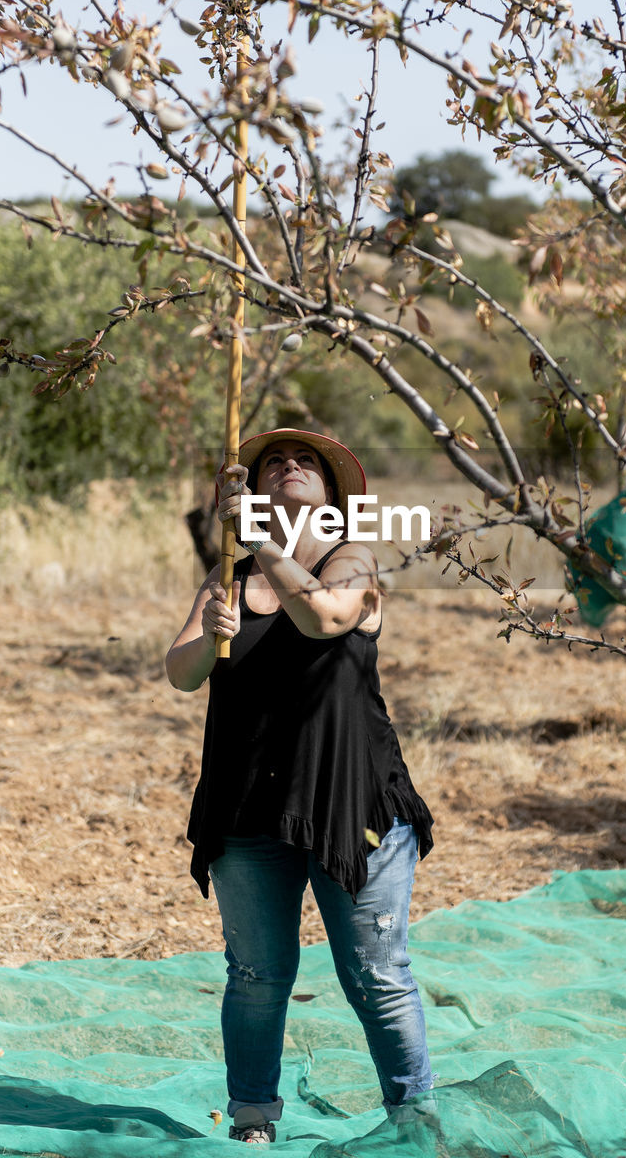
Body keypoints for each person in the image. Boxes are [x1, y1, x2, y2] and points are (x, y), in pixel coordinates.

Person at [165, 428, 434, 1145]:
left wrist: (259, 542)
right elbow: (181, 671)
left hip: (350, 799)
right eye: (272, 463)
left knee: (374, 975)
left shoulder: (351, 561)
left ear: (329, 491)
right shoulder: (226, 575)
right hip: (248, 801)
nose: (287, 466)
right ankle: (252, 1118)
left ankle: (413, 1120)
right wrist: (206, 632)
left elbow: (321, 617)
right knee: (255, 974)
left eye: (303, 461)